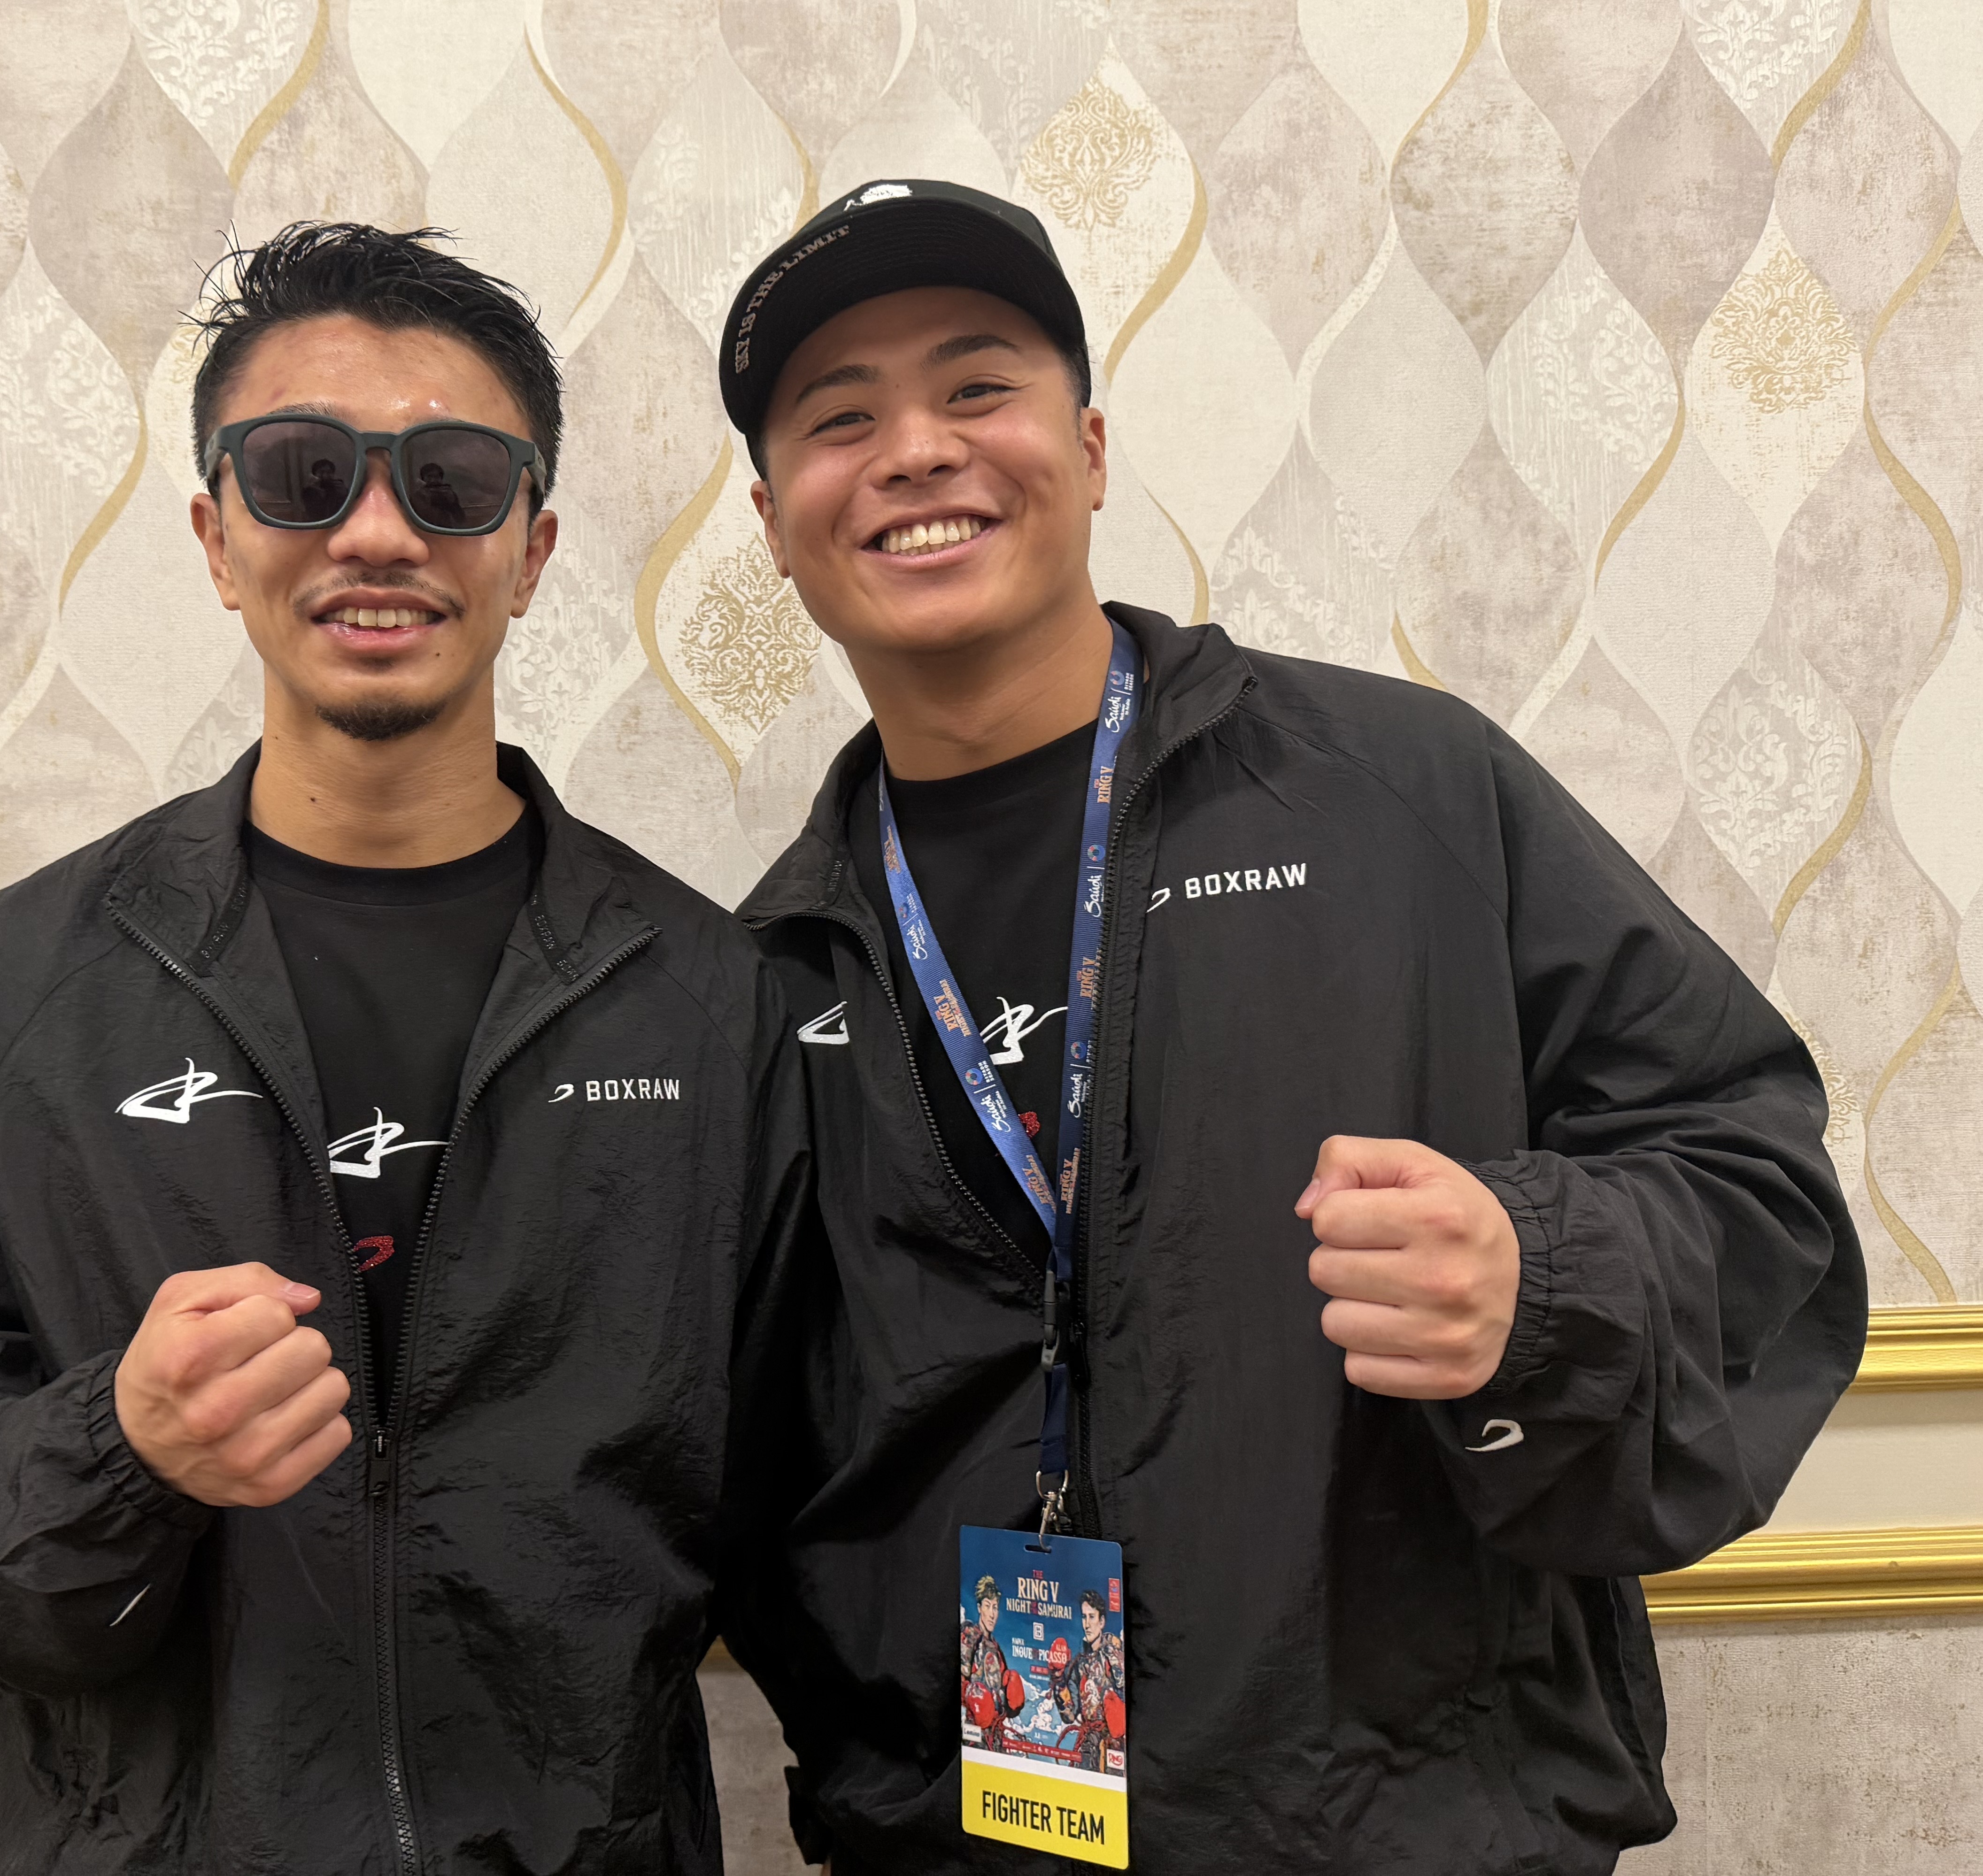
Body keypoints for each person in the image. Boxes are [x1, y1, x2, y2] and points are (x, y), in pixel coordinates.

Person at [714, 181, 1865, 1873]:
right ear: (772, 518)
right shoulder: (766, 970)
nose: (916, 450)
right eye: (839, 419)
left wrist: (1540, 1278)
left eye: (976, 388)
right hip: (975, 1829)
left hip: (1411, 1822)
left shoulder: (1403, 791)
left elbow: (1752, 1177)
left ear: (1086, 450)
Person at [0, 222, 811, 1875]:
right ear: (218, 537)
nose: (376, 531)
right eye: (304, 475)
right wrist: (119, 1449)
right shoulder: (15, 992)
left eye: (452, 481)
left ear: (529, 550)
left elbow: (821, 1502)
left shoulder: (708, 999)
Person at [957, 1575, 1023, 1753]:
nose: (992, 1614)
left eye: (995, 1607)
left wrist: (1013, 1702)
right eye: (988, 1606)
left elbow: (1005, 1700)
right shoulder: (970, 1635)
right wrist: (973, 1696)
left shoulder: (996, 1649)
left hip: (997, 1737)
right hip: (974, 1735)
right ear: (980, 1608)